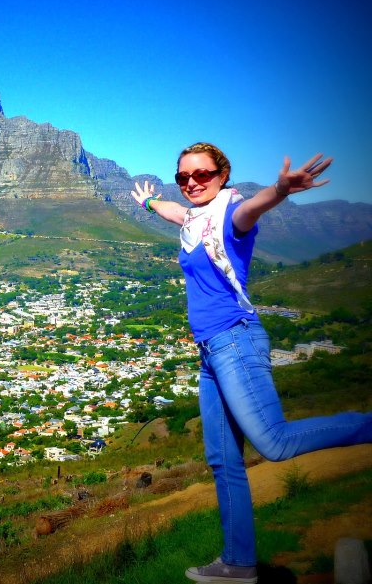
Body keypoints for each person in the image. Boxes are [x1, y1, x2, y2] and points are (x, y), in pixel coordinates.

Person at [130, 142, 372, 584]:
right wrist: (148, 202)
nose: (191, 183)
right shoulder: (193, 217)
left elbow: (251, 210)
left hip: (235, 342)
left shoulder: (231, 214)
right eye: (184, 177)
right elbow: (172, 211)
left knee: (274, 443)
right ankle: (238, 563)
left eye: (202, 174)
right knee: (223, 460)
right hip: (210, 353)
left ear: (222, 175)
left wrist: (279, 190)